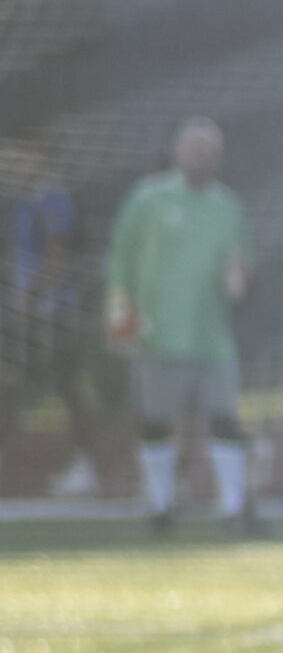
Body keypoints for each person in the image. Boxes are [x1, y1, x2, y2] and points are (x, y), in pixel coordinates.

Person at [104, 117, 260, 535]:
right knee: (156, 420)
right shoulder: (148, 200)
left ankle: (232, 509)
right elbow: (120, 260)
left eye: (210, 150)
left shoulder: (229, 207)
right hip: (159, 335)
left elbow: (241, 269)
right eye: (195, 148)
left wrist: (238, 279)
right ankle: (160, 507)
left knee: (224, 418)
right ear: (177, 152)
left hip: (212, 338)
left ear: (220, 157)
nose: (202, 157)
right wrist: (120, 313)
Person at [1, 140, 105, 497]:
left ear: (41, 157)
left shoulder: (53, 199)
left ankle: (85, 465)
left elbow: (57, 257)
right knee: (13, 382)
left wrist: (30, 298)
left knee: (67, 387)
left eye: (20, 155)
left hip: (54, 315)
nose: (13, 163)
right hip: (32, 313)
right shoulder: (25, 201)